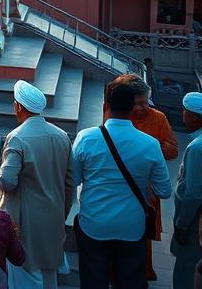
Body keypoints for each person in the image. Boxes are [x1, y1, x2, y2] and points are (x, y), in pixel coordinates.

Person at [72, 77, 172, 288]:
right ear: (131, 108)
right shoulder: (151, 144)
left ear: (106, 106)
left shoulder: (86, 138)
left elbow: (75, 178)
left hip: (94, 224)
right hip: (132, 228)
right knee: (129, 281)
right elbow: (164, 190)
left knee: (93, 280)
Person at [0, 80, 73, 289]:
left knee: (25, 276)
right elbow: (69, 183)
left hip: (24, 222)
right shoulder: (61, 135)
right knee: (49, 277)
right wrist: (61, 214)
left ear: (19, 106)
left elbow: (7, 181)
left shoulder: (17, 138)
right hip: (53, 217)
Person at [106, 73, 178, 280]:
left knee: (142, 235)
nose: (145, 107)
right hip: (119, 186)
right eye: (139, 103)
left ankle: (144, 272)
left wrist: (147, 146)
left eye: (146, 101)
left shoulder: (158, 118)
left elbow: (173, 149)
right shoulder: (116, 117)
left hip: (147, 191)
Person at [172, 92, 202, 289]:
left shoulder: (197, 148)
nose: (182, 114)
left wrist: (182, 225)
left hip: (192, 224)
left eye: (185, 111)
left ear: (196, 117)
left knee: (186, 273)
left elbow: (193, 193)